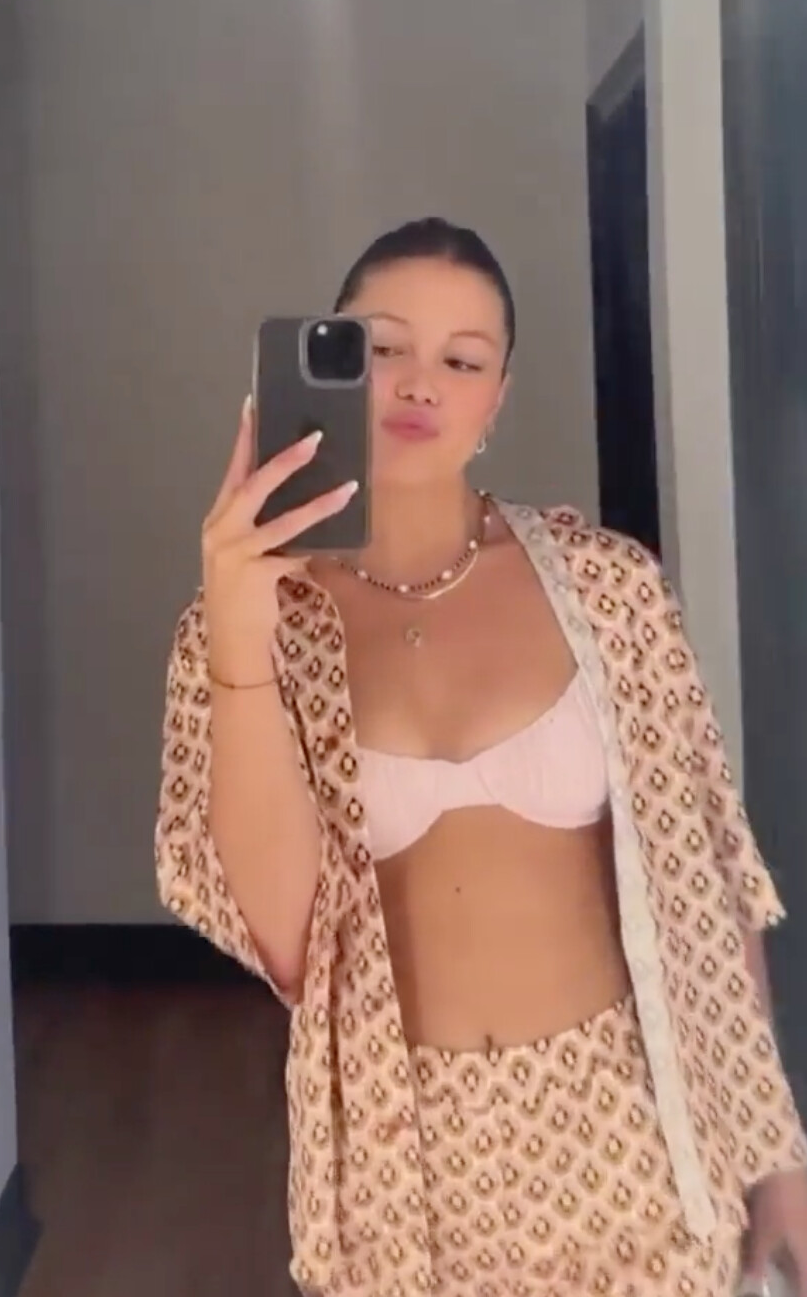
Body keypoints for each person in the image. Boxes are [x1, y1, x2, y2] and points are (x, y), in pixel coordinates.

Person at [156, 216, 807, 1297]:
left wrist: (774, 1154)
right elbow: (288, 942)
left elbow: (707, 884)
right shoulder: (242, 632)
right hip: (405, 1166)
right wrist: (239, 639)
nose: (420, 383)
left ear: (497, 398)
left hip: (635, 1133)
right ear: (322, 359)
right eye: (380, 347)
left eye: (462, 361)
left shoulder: (608, 589)